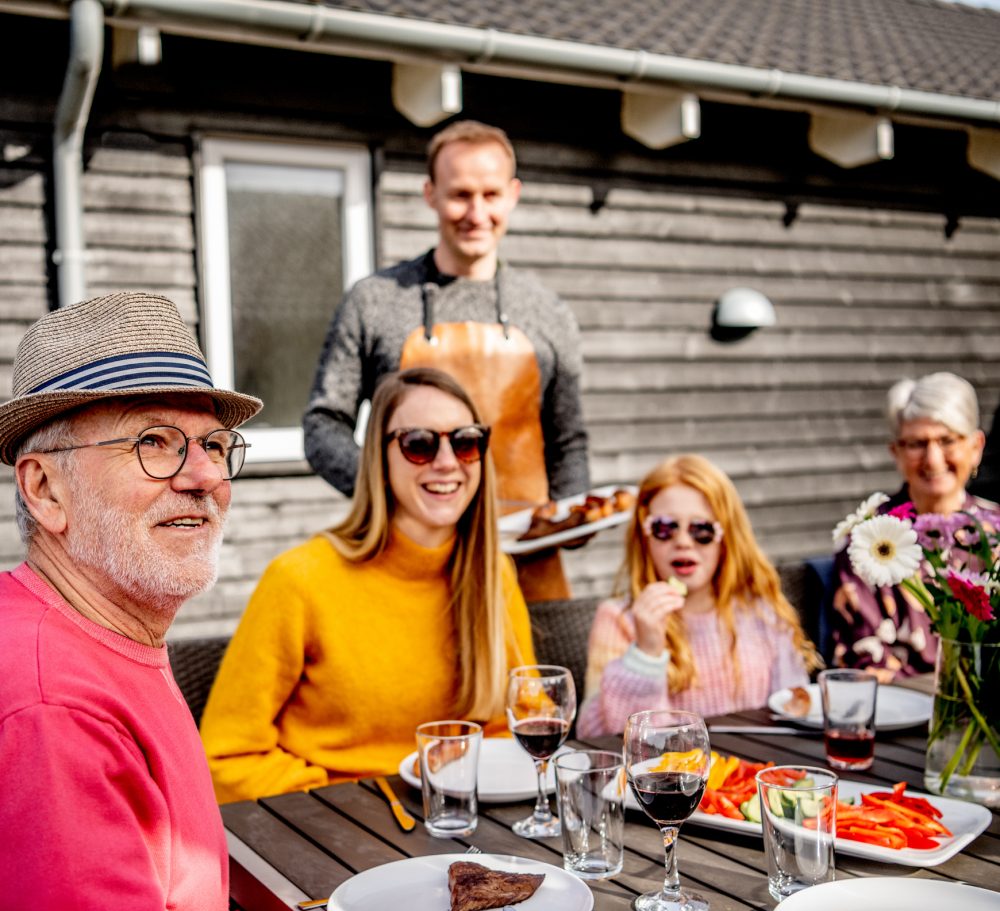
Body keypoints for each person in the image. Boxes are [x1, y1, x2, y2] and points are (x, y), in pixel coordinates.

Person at [0, 292, 262, 911]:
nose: (204, 478)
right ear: (45, 489)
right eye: (154, 440)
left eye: (215, 446)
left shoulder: (97, 631)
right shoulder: (54, 711)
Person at [202, 367, 535, 804]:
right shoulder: (300, 580)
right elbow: (224, 759)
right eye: (420, 444)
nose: (448, 461)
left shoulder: (493, 573)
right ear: (379, 456)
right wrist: (354, 803)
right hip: (335, 830)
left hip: (462, 822)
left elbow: (521, 726)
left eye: (466, 441)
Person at [303, 119, 589, 600]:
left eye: (491, 195)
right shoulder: (375, 301)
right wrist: (393, 497)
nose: (476, 213)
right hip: (411, 562)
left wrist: (574, 516)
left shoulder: (550, 313)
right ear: (430, 194)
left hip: (527, 569)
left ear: (513, 195)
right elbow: (323, 424)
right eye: (460, 195)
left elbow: (568, 440)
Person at [577, 455, 819, 737]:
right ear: (645, 538)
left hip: (753, 775)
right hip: (671, 778)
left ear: (727, 536)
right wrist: (645, 655)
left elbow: (796, 715)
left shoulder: (763, 612)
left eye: (701, 529)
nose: (682, 541)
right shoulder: (620, 620)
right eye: (665, 528)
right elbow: (596, 738)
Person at [831, 372, 996, 681]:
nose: (932, 460)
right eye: (917, 444)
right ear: (896, 452)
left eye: (947, 440)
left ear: (976, 447)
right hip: (907, 719)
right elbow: (863, 666)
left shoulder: (995, 529)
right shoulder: (868, 539)